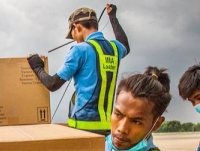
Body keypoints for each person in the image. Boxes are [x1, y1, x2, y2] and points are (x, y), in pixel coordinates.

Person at [27, 3, 130, 136]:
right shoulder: (115, 49)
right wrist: (112, 16)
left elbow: (52, 84)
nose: (74, 39)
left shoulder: (80, 49)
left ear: (77, 27)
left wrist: (36, 66)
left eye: (72, 34)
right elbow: (125, 44)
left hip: (83, 128)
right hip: (108, 129)